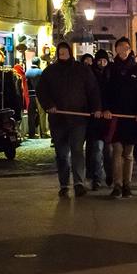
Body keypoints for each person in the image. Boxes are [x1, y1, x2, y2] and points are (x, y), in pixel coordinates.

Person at [37, 42, 102, 198]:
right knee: (61, 153)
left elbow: (93, 90)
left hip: (78, 119)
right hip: (58, 119)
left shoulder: (82, 70)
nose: (63, 55)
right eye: (60, 53)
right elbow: (42, 91)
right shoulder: (50, 71)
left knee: (77, 151)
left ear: (70, 53)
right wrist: (49, 105)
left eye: (65, 52)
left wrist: (96, 108)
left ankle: (79, 183)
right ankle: (64, 184)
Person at [103, 37, 137, 199]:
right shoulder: (111, 69)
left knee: (128, 153)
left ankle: (127, 184)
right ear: (116, 49)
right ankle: (117, 185)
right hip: (115, 116)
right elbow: (105, 90)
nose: (123, 50)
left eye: (126, 47)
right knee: (117, 151)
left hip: (132, 117)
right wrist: (106, 108)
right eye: (120, 47)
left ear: (130, 49)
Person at [85, 49, 112, 190]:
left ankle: (110, 175)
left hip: (108, 119)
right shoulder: (91, 75)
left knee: (108, 151)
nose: (102, 63)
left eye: (104, 61)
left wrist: (108, 109)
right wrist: (96, 109)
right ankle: (96, 177)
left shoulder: (111, 74)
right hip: (95, 119)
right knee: (96, 149)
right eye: (100, 60)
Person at [25, 57, 48, 138]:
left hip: (29, 96)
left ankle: (32, 133)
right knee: (42, 114)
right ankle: (43, 133)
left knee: (31, 115)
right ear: (38, 63)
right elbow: (44, 85)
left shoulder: (27, 72)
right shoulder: (40, 72)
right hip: (38, 96)